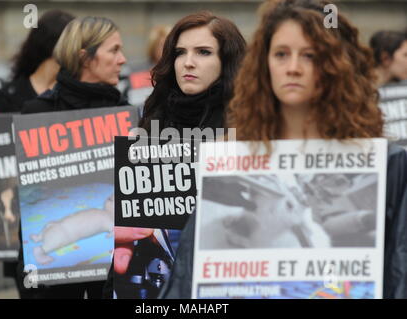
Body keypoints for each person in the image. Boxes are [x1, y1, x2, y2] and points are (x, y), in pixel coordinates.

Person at [160, 0, 407, 299]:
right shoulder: (228, 159)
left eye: (310, 55)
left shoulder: (388, 164)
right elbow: (186, 287)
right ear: (263, 65)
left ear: (336, 66)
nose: (292, 68)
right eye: (281, 54)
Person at [112, 11, 246, 298]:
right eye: (180, 52)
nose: (188, 62)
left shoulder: (249, 126)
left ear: (228, 62)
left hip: (226, 279)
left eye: (204, 52)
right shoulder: (152, 118)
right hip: (160, 283)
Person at [18, 16, 127, 299]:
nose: (123, 59)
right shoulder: (38, 114)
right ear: (85, 57)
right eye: (114, 50)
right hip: (57, 275)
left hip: (113, 271)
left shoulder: (129, 116)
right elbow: (23, 194)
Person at [0, 10, 75, 299]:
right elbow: (0, 163)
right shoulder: (9, 95)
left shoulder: (73, 94)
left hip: (63, 216)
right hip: (21, 223)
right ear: (55, 48)